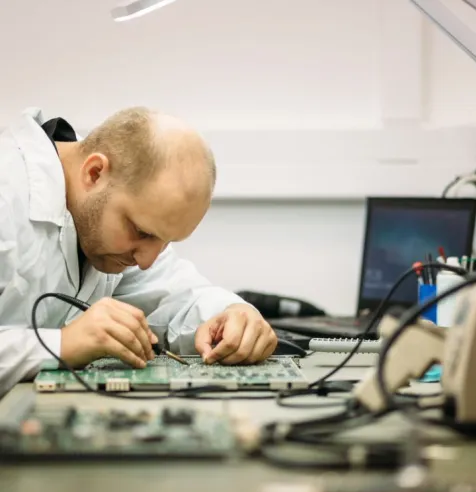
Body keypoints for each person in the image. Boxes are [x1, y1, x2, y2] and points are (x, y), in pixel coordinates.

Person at [0, 106, 277, 395]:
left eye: (165, 242)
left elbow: (174, 295)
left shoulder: (111, 202)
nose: (145, 261)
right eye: (141, 232)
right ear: (94, 173)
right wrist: (62, 345)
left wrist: (233, 314)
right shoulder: (7, 195)